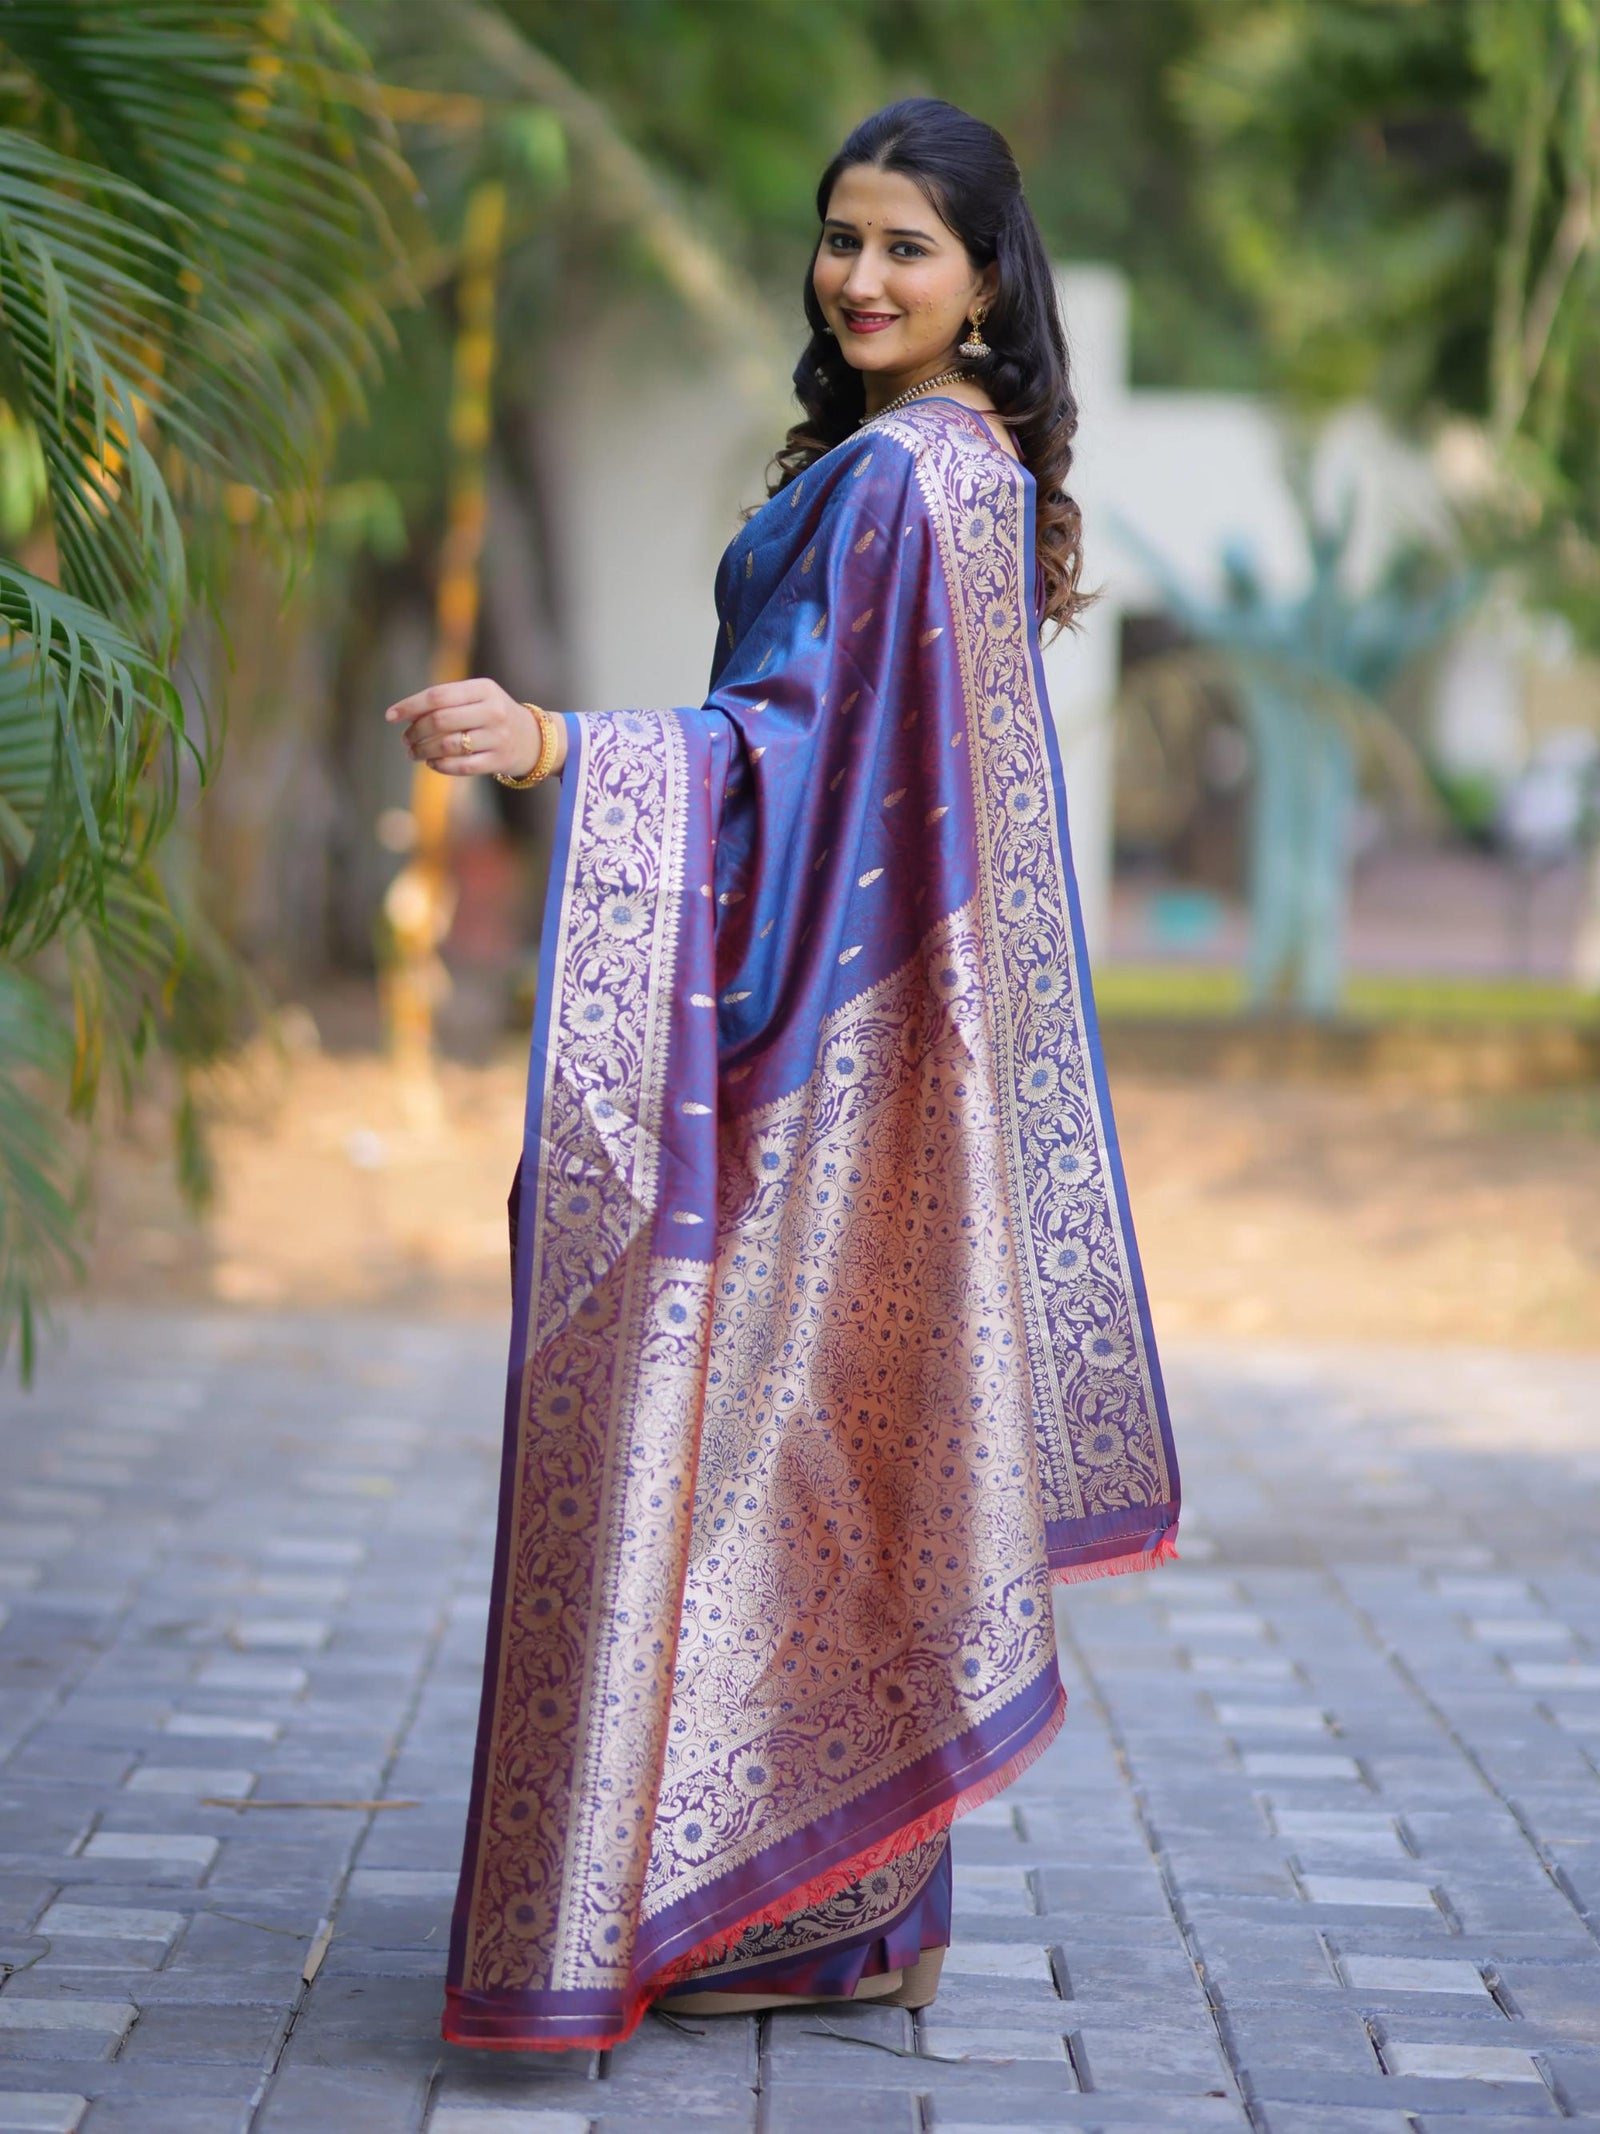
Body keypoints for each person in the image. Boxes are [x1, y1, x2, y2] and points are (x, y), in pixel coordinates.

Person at [387, 96, 1180, 2054]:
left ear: (983, 274)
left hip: (828, 1029)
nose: (860, 275)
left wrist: (561, 748)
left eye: (904, 244)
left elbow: (798, 757)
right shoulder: (944, 467)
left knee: (772, 1420)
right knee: (840, 1423)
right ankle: (849, 1912)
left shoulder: (917, 478)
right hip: (878, 1019)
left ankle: (820, 1901)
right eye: (840, 238)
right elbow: (829, 755)